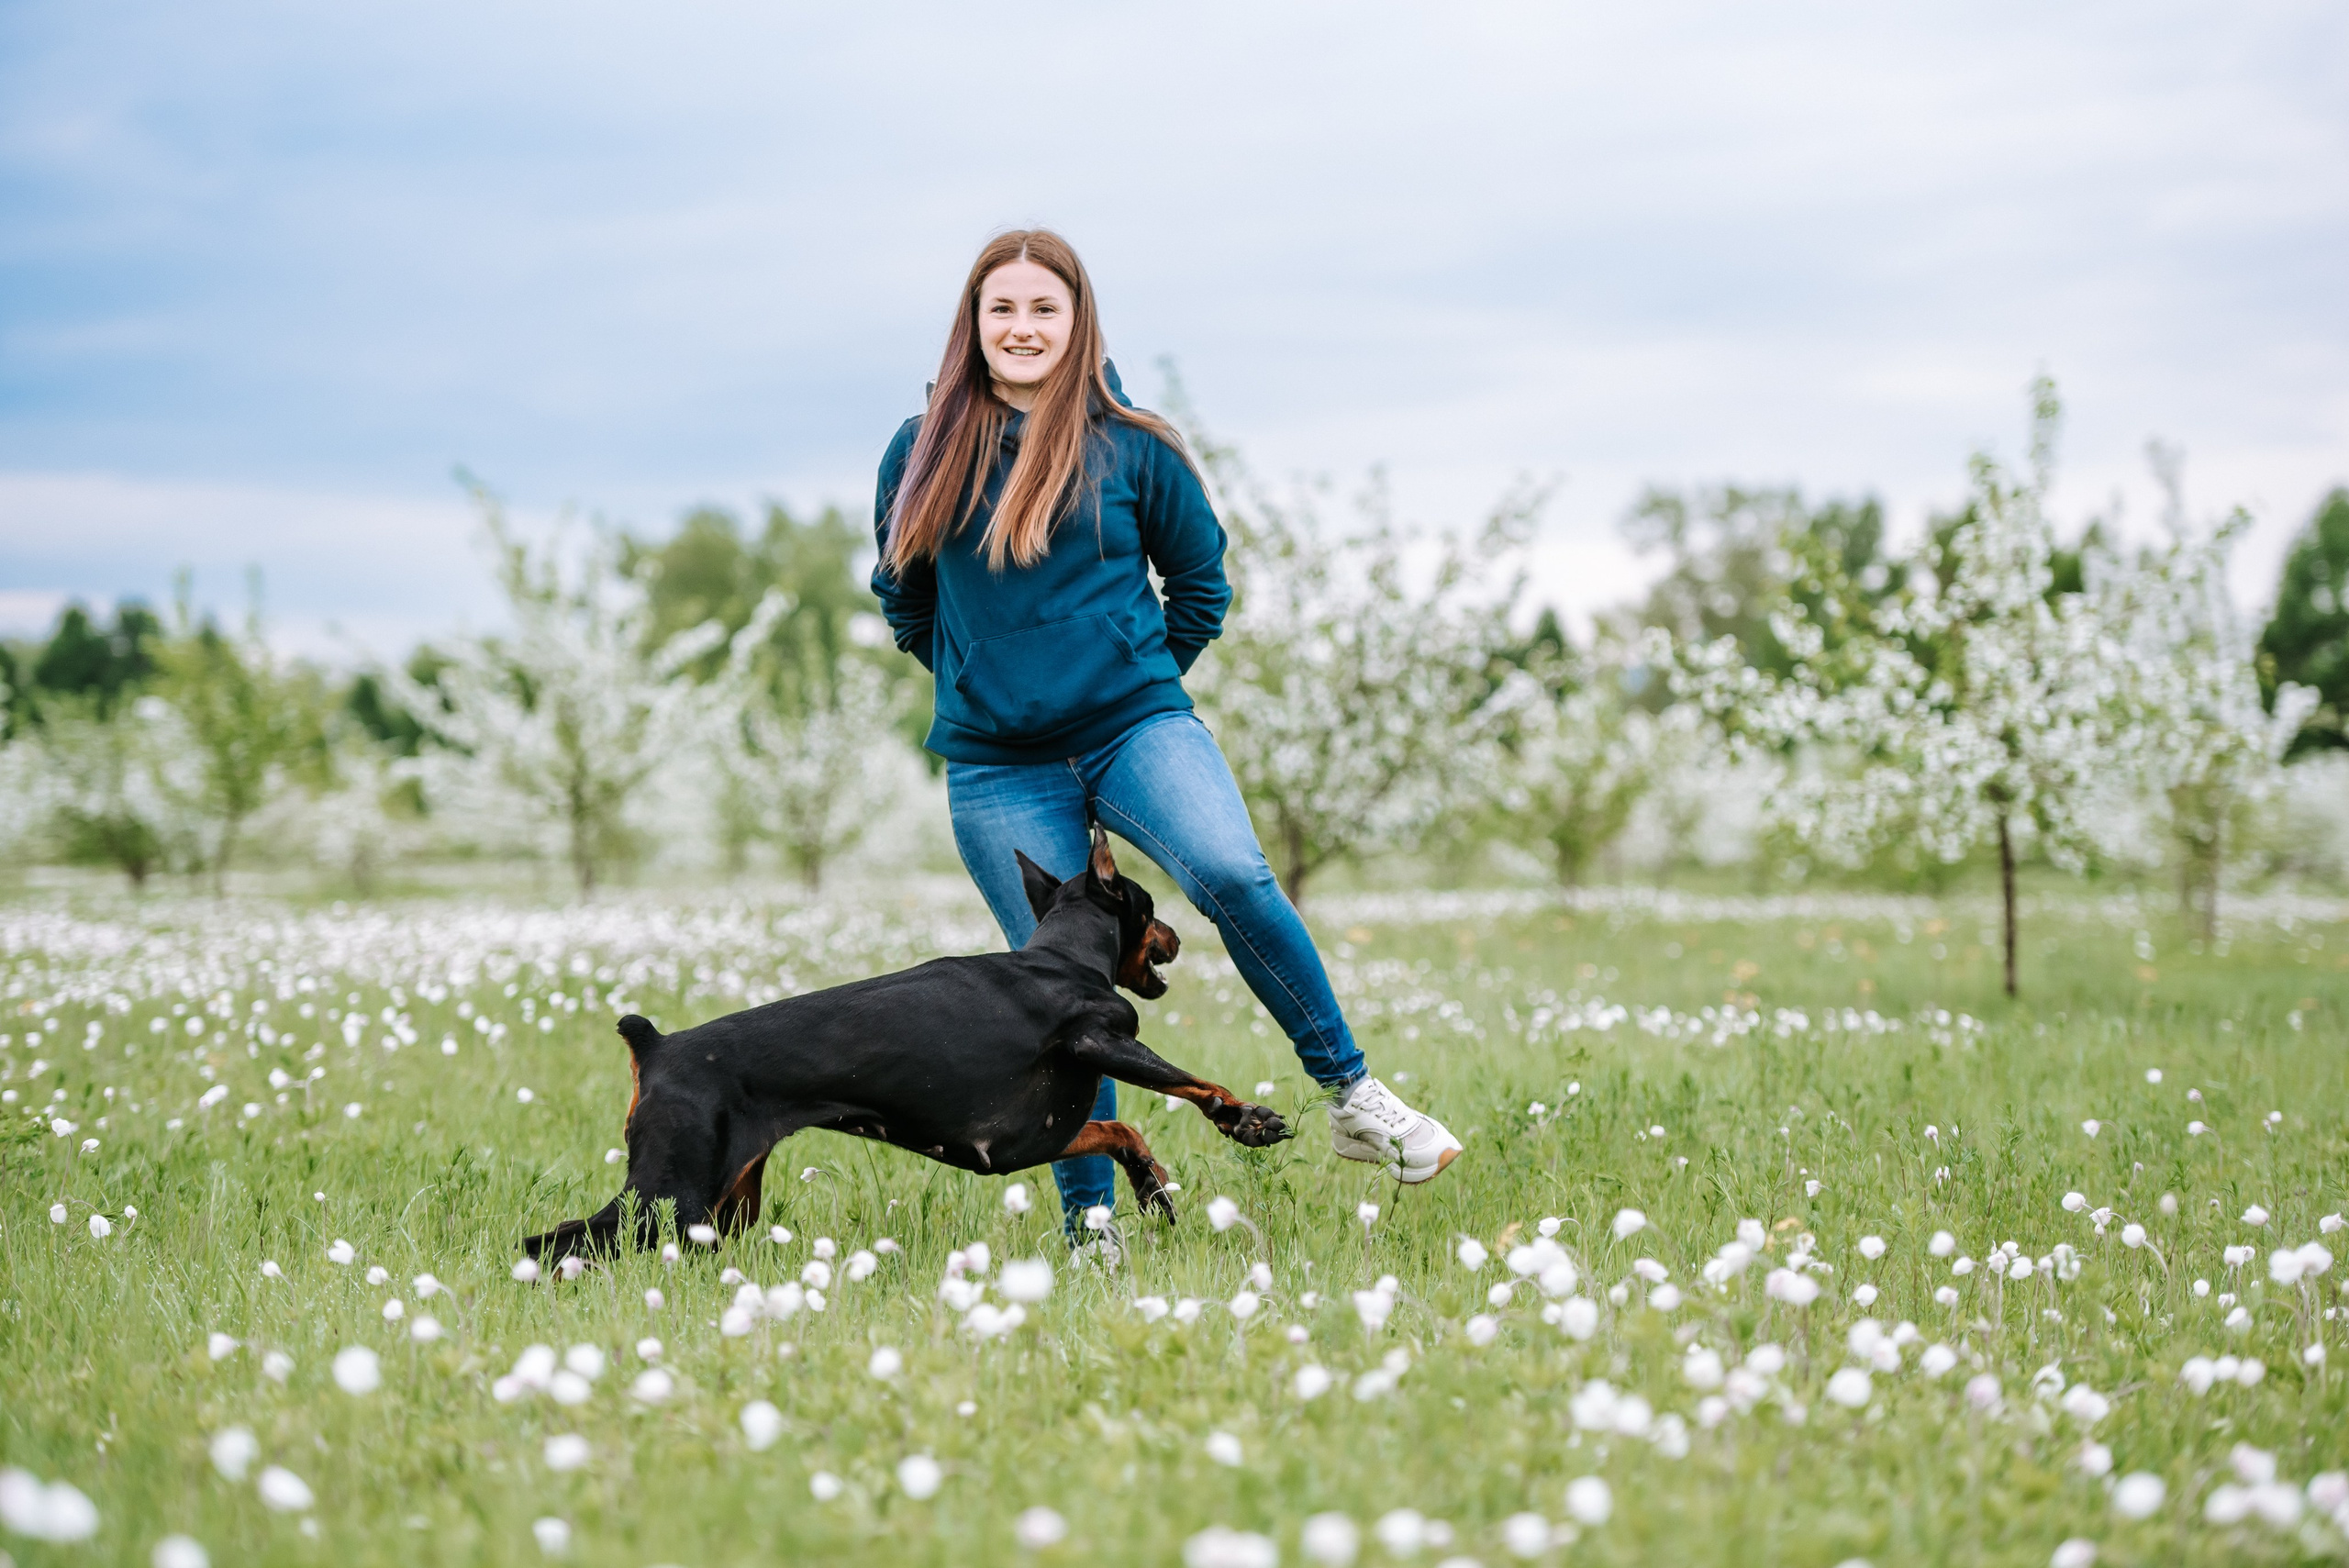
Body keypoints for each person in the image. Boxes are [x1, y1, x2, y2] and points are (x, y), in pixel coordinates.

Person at [871, 228, 1461, 1238]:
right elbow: (904, 598)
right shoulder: (920, 448)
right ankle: (1090, 1225)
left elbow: (1199, 588)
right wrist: (987, 679)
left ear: (1077, 322)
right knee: (1060, 989)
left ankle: (1355, 1097)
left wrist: (1129, 680)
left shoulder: (1135, 444)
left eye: (1043, 309)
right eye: (1001, 309)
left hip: (1135, 723)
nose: (1022, 327)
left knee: (1232, 873)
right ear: (973, 326)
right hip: (999, 761)